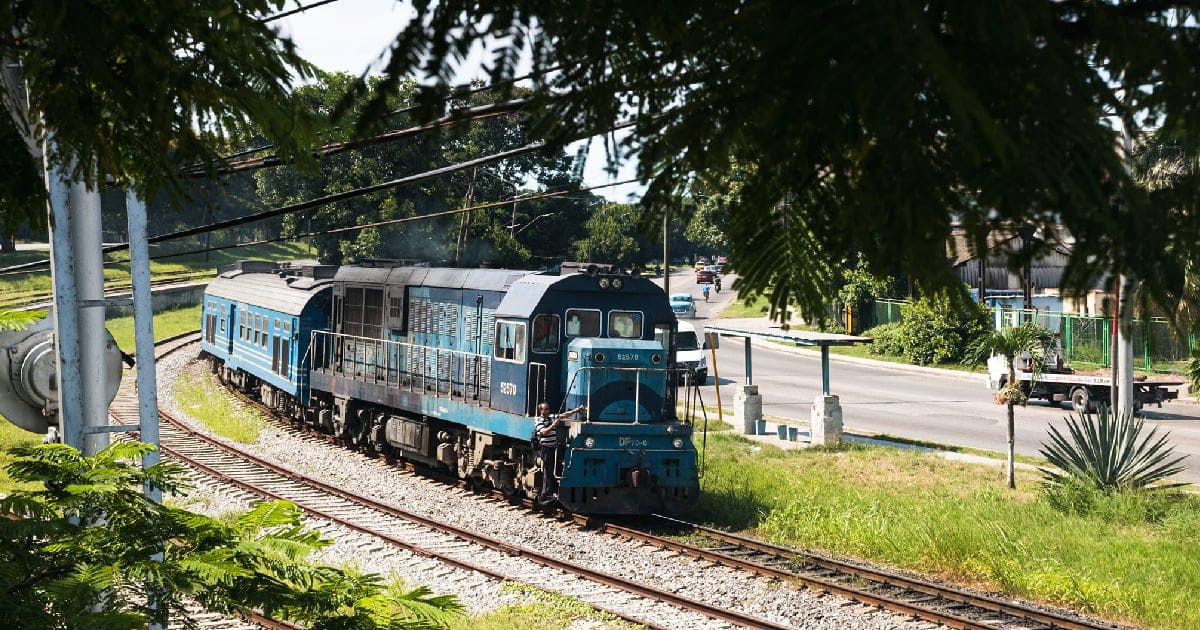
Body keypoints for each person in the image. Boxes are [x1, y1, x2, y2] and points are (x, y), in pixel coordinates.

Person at [534, 401, 585, 502]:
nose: (548, 410)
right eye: (546, 409)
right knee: (547, 471)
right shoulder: (538, 420)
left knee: (551, 470)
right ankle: (545, 494)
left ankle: (551, 491)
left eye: (548, 408)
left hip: (552, 447)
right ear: (541, 410)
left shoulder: (551, 416)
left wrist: (577, 410)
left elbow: (563, 415)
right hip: (545, 448)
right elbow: (543, 432)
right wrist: (553, 425)